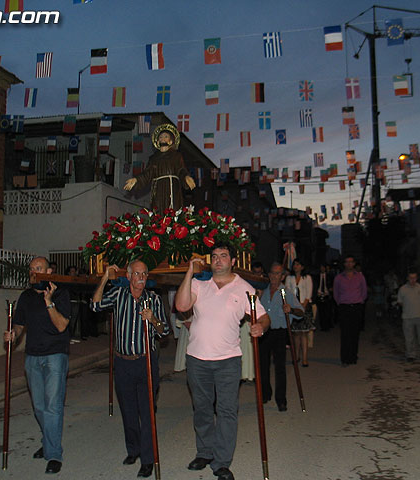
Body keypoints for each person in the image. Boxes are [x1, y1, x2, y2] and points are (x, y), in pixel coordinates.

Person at [175, 243, 270, 480]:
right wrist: (189, 272)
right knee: (202, 409)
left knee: (227, 411)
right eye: (214, 256)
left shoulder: (244, 288)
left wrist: (260, 326)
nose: (218, 260)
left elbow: (263, 316)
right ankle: (205, 452)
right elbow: (181, 306)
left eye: (224, 256)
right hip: (197, 359)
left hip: (228, 361)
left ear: (233, 261)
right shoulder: (199, 284)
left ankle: (222, 462)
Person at [91, 260, 170, 478]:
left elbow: (164, 331)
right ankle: (133, 450)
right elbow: (95, 306)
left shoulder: (153, 299)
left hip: (146, 361)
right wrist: (105, 278)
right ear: (128, 276)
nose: (141, 278)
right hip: (123, 362)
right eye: (137, 274)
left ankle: (148, 459)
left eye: (144, 274)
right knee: (128, 410)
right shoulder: (118, 295)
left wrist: (153, 319)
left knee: (147, 411)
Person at [3, 257, 70, 475]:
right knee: (39, 407)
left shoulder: (60, 294)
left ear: (49, 272)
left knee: (53, 406)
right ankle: (49, 441)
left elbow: (61, 325)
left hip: (55, 356)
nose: (34, 272)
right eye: (31, 269)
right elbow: (20, 324)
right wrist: (13, 335)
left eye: (38, 269)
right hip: (32, 356)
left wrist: (49, 301)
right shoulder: (26, 296)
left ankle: (54, 454)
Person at [258, 262, 303, 411]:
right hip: (265, 332)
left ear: (282, 276)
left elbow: (301, 312)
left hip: (279, 332)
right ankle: (265, 393)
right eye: (272, 273)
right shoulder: (264, 291)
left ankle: (281, 399)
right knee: (263, 365)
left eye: (277, 273)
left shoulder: (286, 293)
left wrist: (291, 310)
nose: (273, 276)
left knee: (280, 367)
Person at [124, 123, 196, 212]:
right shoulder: (153, 158)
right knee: (158, 210)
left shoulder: (176, 156)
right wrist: (136, 179)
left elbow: (181, 170)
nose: (163, 138)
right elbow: (147, 173)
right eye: (160, 137)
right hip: (158, 189)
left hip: (172, 188)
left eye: (166, 136)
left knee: (172, 210)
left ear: (171, 141)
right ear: (157, 142)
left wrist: (186, 177)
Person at [333, 255, 367, 365]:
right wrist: (340, 303)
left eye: (351, 262)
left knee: (355, 333)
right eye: (347, 262)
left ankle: (353, 356)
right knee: (345, 333)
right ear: (344, 264)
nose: (349, 264)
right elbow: (336, 293)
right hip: (344, 307)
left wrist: (360, 302)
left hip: (356, 307)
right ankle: (345, 358)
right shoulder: (339, 278)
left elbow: (364, 292)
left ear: (354, 263)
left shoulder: (360, 277)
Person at [284, 258, 314, 367]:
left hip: (304, 306)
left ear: (302, 267)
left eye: (298, 264)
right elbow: (287, 292)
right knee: (296, 334)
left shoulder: (307, 278)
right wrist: (294, 307)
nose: (295, 266)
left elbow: (308, 294)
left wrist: (302, 307)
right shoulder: (289, 278)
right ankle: (296, 356)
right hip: (293, 308)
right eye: (294, 264)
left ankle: (305, 358)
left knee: (304, 333)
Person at [397, 271, 420, 362]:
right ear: (407, 278)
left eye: (414, 278)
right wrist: (408, 307)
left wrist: (419, 308)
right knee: (409, 337)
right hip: (408, 317)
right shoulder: (402, 289)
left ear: (417, 278)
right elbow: (400, 302)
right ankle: (410, 354)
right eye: (411, 278)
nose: (413, 280)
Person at [315, 264, 334, 331]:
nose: (322, 269)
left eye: (323, 267)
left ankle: (327, 326)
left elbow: (332, 284)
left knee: (327, 311)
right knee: (321, 312)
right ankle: (322, 326)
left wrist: (330, 290)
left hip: (327, 295)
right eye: (321, 267)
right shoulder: (317, 276)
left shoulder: (329, 276)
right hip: (319, 295)